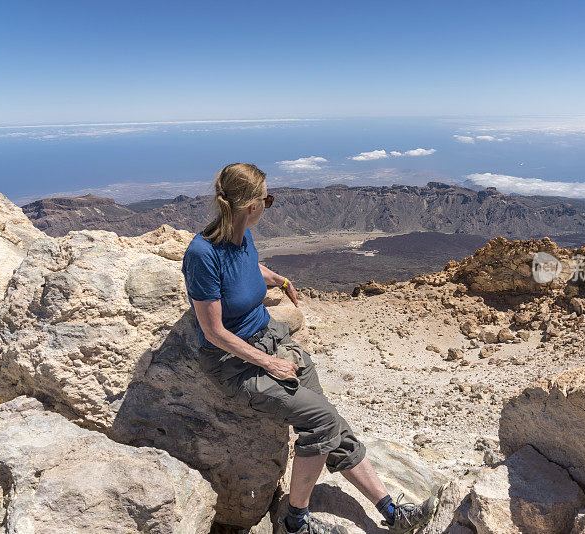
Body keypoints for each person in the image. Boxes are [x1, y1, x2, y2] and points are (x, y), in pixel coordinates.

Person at [181, 163, 438, 534]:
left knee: (330, 420)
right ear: (251, 206)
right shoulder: (203, 254)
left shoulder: (241, 238)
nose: (269, 205)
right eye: (267, 198)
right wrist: (269, 363)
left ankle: (392, 513)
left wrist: (281, 280)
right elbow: (214, 331)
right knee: (320, 423)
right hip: (234, 363)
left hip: (271, 340)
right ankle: (294, 521)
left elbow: (250, 268)